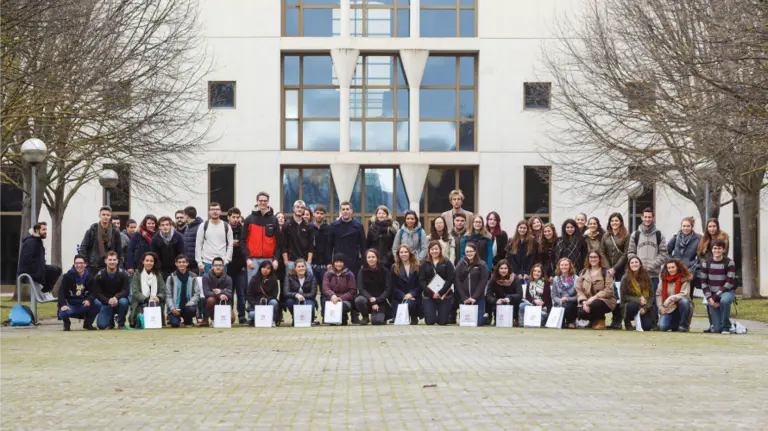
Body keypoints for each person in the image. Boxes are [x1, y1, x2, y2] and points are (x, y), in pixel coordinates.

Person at [627, 207, 668, 329]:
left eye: (649, 217)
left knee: (653, 300)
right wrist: (636, 264)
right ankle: (639, 323)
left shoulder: (659, 235)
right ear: (642, 217)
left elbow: (664, 253)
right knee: (639, 299)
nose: (647, 219)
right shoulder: (636, 234)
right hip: (638, 275)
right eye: (645, 217)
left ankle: (654, 323)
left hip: (653, 274)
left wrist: (653, 264)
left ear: (653, 218)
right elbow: (630, 252)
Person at [242, 192, 280, 282]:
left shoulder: (273, 219)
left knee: (268, 286)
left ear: (268, 202)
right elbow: (243, 240)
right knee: (252, 287)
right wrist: (247, 259)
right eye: (260, 200)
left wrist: (276, 259)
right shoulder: (249, 219)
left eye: (265, 201)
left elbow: (278, 242)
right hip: (253, 260)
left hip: (269, 259)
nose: (262, 202)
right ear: (257, 201)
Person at [700, 239, 737, 334]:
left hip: (726, 292)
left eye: (719, 248)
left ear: (723, 250)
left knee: (724, 301)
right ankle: (731, 324)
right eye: (715, 248)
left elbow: (729, 283)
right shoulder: (706, 263)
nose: (717, 251)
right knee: (716, 330)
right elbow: (704, 283)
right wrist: (709, 298)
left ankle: (726, 326)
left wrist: (715, 297)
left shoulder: (729, 263)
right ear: (711, 250)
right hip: (711, 295)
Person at [600, 213, 629, 329]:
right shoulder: (606, 236)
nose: (614, 223)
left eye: (616, 221)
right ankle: (613, 320)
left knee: (620, 296)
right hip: (608, 270)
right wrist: (608, 268)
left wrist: (615, 268)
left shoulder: (626, 235)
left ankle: (618, 320)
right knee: (611, 295)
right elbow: (601, 251)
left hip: (621, 270)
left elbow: (626, 253)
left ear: (621, 222)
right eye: (612, 221)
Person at [17, 222, 61, 295]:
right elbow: (26, 260)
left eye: (46, 229)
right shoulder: (30, 242)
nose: (45, 232)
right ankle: (45, 292)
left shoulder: (37, 241)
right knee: (53, 270)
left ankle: (45, 291)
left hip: (37, 270)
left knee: (56, 269)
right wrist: (38, 269)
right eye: (43, 229)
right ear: (37, 231)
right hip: (29, 272)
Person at [576, 251, 616, 329]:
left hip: (605, 301)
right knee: (580, 312)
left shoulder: (606, 272)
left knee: (595, 304)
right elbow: (578, 289)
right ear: (588, 259)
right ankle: (592, 320)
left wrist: (593, 298)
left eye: (595, 257)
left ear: (599, 259)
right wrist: (584, 302)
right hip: (586, 300)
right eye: (591, 257)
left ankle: (601, 320)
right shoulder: (583, 272)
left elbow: (609, 290)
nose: (593, 259)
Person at [80, 206, 125, 274]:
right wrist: (87, 264)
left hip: (110, 266)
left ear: (110, 217)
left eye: (108, 215)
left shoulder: (115, 231)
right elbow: (83, 248)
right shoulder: (92, 230)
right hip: (94, 267)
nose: (105, 217)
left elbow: (119, 250)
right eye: (103, 214)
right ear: (99, 216)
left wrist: (119, 265)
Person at [58, 255, 98, 331]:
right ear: (74, 264)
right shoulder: (67, 276)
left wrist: (88, 300)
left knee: (97, 304)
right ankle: (67, 324)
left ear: (85, 264)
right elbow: (61, 292)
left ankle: (88, 324)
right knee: (63, 313)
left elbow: (93, 292)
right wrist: (63, 305)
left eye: (81, 263)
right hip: (71, 304)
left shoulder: (90, 277)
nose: (79, 265)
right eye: (77, 263)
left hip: (83, 304)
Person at [420, 241, 455, 326]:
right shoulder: (424, 263)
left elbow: (450, 279)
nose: (434, 251)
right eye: (432, 249)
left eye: (436, 249)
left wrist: (440, 292)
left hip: (444, 295)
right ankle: (432, 314)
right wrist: (431, 293)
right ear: (429, 250)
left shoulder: (447, 262)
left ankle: (441, 315)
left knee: (443, 322)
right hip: (429, 294)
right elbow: (422, 280)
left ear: (440, 250)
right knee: (430, 322)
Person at [328, 201, 366, 278]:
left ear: (351, 211)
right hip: (338, 262)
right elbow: (329, 246)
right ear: (340, 211)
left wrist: (363, 262)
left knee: (353, 286)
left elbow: (363, 246)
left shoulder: (359, 226)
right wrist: (329, 262)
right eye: (343, 209)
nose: (345, 211)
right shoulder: (333, 226)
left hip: (354, 261)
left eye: (347, 209)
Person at [93, 251, 131, 330]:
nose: (112, 262)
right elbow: (97, 293)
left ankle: (121, 323)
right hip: (106, 303)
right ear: (105, 261)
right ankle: (110, 323)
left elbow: (126, 291)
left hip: (119, 301)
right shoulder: (99, 276)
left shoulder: (124, 274)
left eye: (114, 260)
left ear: (117, 261)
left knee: (124, 302)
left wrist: (116, 297)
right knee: (101, 326)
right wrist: (108, 300)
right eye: (110, 260)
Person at [454, 242, 489, 326]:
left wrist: (474, 297)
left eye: (471, 251)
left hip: (477, 298)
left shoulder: (482, 264)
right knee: (466, 321)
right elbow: (457, 281)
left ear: (475, 251)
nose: (469, 253)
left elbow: (483, 282)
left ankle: (485, 316)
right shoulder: (460, 264)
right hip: (464, 298)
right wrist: (464, 297)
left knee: (478, 322)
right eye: (467, 252)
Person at [354, 249, 392, 325]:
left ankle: (382, 316)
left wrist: (378, 300)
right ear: (366, 259)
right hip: (367, 299)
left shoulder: (384, 271)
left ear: (377, 258)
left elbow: (388, 289)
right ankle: (365, 317)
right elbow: (361, 289)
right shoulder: (362, 271)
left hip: (380, 300)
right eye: (369, 257)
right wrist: (371, 299)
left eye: (373, 257)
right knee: (359, 300)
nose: (371, 259)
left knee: (377, 322)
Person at [195, 202, 234, 275]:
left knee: (221, 286)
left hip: (221, 263)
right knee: (205, 286)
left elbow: (230, 245)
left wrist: (226, 261)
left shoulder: (226, 226)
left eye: (217, 209)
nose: (215, 211)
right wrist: (199, 262)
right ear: (209, 212)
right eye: (212, 209)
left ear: (220, 211)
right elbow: (198, 245)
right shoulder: (203, 226)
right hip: (206, 263)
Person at [129, 252, 166, 329]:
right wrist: (146, 299)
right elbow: (135, 292)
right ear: (143, 261)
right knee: (140, 320)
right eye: (147, 260)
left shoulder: (158, 275)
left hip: (155, 303)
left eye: (151, 261)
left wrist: (158, 297)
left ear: (154, 262)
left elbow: (163, 291)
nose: (149, 263)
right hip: (140, 303)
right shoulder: (137, 274)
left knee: (155, 322)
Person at [164, 254, 200, 328]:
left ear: (187, 263)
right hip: (175, 307)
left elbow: (197, 293)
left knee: (191, 310)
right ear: (176, 264)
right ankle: (175, 319)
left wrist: (192, 302)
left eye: (183, 262)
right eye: (179, 262)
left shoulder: (193, 276)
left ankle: (188, 320)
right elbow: (168, 296)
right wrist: (172, 308)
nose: (181, 264)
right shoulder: (171, 278)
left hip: (188, 306)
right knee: (174, 324)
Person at [658, 259, 693, 332]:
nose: (671, 270)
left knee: (684, 301)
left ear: (677, 267)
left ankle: (684, 325)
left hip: (681, 305)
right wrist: (661, 307)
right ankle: (676, 324)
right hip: (669, 307)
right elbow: (658, 294)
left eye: (673, 267)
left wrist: (670, 298)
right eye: (669, 268)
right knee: (662, 326)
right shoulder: (663, 279)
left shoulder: (684, 278)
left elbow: (684, 294)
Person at [227, 207, 249, 325]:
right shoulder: (224, 229)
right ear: (228, 217)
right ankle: (228, 315)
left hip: (241, 267)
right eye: (233, 217)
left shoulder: (243, 229)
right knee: (228, 293)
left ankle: (242, 316)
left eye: (237, 217)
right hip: (228, 267)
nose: (235, 219)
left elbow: (246, 245)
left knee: (241, 293)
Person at [668, 217, 701, 293]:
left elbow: (701, 256)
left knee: (687, 294)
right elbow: (667, 251)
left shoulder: (698, 238)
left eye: (688, 226)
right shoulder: (676, 237)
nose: (686, 228)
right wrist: (670, 262)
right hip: (675, 269)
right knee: (674, 293)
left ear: (692, 227)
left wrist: (694, 266)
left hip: (689, 271)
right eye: (684, 226)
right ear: (681, 226)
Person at [389, 245, 421, 325]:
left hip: (414, 297)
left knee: (410, 304)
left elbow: (420, 285)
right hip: (399, 297)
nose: (404, 254)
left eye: (406, 252)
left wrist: (411, 294)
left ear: (410, 253)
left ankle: (413, 316)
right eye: (401, 252)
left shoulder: (417, 266)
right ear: (398, 254)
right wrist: (403, 296)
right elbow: (393, 286)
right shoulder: (394, 267)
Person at [322, 254, 357, 325]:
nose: (339, 264)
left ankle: (343, 316)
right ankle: (341, 318)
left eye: (341, 262)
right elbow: (325, 288)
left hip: (345, 300)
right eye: (336, 262)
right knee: (333, 319)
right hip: (331, 299)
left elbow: (352, 291)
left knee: (341, 307)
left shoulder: (349, 274)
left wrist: (341, 298)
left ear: (344, 263)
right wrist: (332, 296)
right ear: (333, 263)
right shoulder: (328, 274)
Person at [620, 257, 654, 331]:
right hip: (629, 305)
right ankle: (627, 323)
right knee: (633, 305)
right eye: (632, 263)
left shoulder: (647, 277)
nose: (634, 264)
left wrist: (645, 308)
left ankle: (638, 324)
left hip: (644, 305)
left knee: (647, 327)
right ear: (629, 265)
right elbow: (624, 296)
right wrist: (638, 300)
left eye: (636, 262)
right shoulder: (625, 278)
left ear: (640, 264)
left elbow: (651, 296)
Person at [486, 259, 523, 326]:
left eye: (505, 268)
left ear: (509, 269)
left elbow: (519, 294)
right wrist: (495, 300)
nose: (503, 270)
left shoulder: (515, 278)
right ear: (498, 269)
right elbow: (488, 295)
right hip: (498, 304)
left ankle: (515, 318)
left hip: (512, 304)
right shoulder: (493, 278)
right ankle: (489, 317)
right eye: (501, 268)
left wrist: (509, 298)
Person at [282, 200, 314, 275]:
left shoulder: (308, 226)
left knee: (309, 283)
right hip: (291, 261)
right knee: (291, 285)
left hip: (305, 261)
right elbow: (283, 245)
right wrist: (286, 261)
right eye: (297, 207)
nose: (299, 209)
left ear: (304, 209)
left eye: (302, 207)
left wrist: (309, 261)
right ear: (293, 208)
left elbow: (311, 245)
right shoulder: (286, 225)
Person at [201, 257, 234, 327]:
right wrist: (220, 295)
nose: (218, 267)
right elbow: (206, 293)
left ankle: (217, 321)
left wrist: (221, 291)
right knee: (210, 300)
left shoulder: (228, 278)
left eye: (220, 265)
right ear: (212, 266)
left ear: (223, 267)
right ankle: (213, 318)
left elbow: (230, 294)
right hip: (213, 302)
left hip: (225, 303)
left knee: (231, 319)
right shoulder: (206, 277)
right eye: (216, 265)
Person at [283, 258, 318, 326]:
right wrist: (297, 295)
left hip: (308, 299)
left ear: (305, 267)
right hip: (294, 299)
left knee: (310, 305)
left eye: (303, 266)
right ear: (295, 268)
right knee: (289, 302)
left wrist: (302, 296)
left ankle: (310, 318)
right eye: (299, 267)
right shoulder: (289, 276)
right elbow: (286, 292)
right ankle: (295, 318)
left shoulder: (311, 276)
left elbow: (313, 294)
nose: (301, 268)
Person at [150, 216, 185, 280]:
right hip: (162, 269)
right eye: (162, 225)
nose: (165, 227)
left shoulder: (178, 236)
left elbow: (182, 254)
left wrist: (180, 267)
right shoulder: (155, 238)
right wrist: (157, 270)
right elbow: (154, 256)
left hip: (176, 267)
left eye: (167, 224)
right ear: (159, 227)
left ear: (170, 226)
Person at [247, 260, 281, 326]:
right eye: (264, 268)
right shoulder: (254, 279)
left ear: (271, 270)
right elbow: (249, 295)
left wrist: (265, 302)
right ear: (260, 268)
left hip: (269, 305)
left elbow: (275, 295)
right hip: (256, 305)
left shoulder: (274, 280)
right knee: (251, 314)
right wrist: (258, 304)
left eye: (268, 268)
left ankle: (272, 320)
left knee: (274, 302)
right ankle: (259, 319)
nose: (265, 270)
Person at [551, 258, 579, 328]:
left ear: (570, 266)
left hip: (572, 304)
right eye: (562, 265)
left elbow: (578, 296)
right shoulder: (556, 279)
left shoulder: (576, 278)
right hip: (559, 304)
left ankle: (571, 321)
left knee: (568, 305)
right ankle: (561, 321)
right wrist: (560, 300)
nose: (564, 267)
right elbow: (554, 295)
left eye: (566, 265)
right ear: (559, 266)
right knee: (563, 305)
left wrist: (567, 299)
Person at [182, 206, 204, 274]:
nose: (183, 217)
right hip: (188, 263)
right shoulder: (187, 227)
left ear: (187, 215)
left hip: (196, 264)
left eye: (183, 215)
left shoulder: (200, 227)